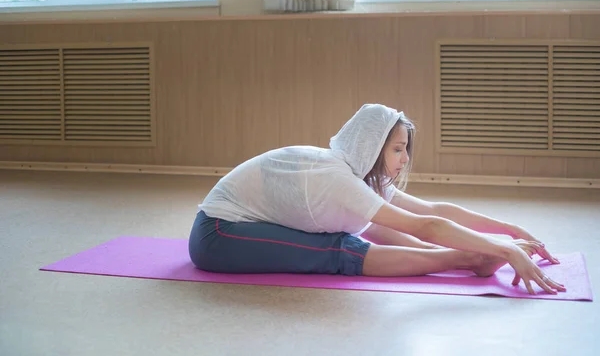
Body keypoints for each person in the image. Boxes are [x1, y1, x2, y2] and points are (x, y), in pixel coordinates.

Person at [189, 103, 565, 295]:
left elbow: (432, 212)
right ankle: (468, 260)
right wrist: (500, 251)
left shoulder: (363, 174)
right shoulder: (339, 178)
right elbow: (427, 226)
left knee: (362, 236)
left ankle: (470, 258)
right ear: (372, 147)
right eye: (398, 149)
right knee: (337, 251)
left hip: (249, 224)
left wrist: (507, 232)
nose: (404, 160)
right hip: (218, 234)